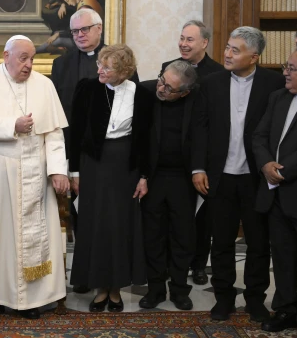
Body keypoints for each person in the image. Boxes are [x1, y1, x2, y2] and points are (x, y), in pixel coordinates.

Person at [0, 35, 69, 321]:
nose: (29, 65)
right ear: (6, 55)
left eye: (32, 59)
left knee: (31, 237)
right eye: (23, 58)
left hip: (35, 171)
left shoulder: (45, 85)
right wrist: (13, 125)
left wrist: (57, 170)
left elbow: (54, 133)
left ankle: (29, 301)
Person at [191, 26, 284, 322]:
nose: (227, 54)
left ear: (254, 57)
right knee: (221, 242)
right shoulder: (211, 83)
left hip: (256, 177)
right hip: (219, 176)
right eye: (227, 47)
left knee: (258, 242)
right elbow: (199, 129)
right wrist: (198, 167)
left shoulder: (274, 84)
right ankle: (224, 298)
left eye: (235, 50)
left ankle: (255, 299)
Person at [50, 8, 137, 294]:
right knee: (80, 215)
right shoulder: (61, 64)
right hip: (73, 148)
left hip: (111, 155)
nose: (80, 36)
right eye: (74, 31)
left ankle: (108, 277)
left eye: (85, 29)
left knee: (109, 217)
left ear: (99, 29)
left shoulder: (120, 61)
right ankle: (86, 273)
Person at [69, 44, 152, 312]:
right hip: (92, 164)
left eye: (107, 66)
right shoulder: (88, 88)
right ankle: (99, 287)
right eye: (100, 64)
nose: (100, 69)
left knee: (119, 225)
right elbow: (76, 132)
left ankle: (115, 288)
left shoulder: (141, 94)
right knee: (95, 224)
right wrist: (74, 172)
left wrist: (143, 176)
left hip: (124, 165)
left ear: (125, 70)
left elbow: (145, 140)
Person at [253, 48, 297, 338]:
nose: (285, 73)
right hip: (275, 193)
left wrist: (284, 170)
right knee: (282, 257)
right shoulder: (277, 97)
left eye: (291, 68)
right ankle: (285, 308)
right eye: (285, 66)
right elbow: (259, 136)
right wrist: (267, 164)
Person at [160, 20, 224, 286]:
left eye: (190, 40)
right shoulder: (169, 68)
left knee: (201, 217)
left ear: (204, 43)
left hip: (202, 156)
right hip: (173, 155)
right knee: (171, 217)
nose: (183, 44)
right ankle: (168, 265)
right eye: (182, 38)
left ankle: (198, 264)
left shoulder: (217, 72)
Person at [139, 61, 198, 311]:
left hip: (183, 179)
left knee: (182, 236)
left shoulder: (197, 101)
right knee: (152, 235)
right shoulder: (145, 93)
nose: (161, 88)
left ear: (184, 92)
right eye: (161, 80)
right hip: (152, 177)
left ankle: (179, 289)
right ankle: (154, 289)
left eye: (169, 88)